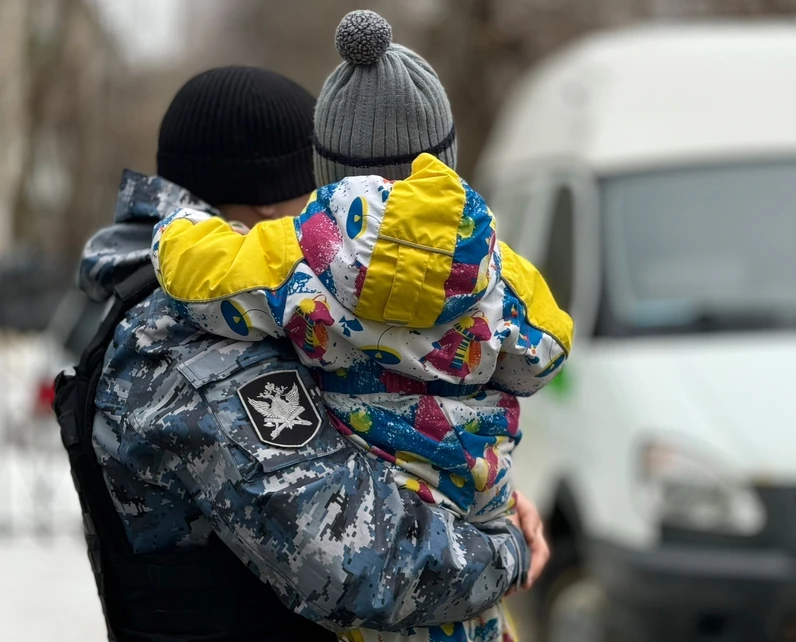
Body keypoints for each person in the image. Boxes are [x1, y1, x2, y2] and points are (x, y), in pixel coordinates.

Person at [68, 65, 546, 642]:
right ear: (271, 209)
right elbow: (355, 559)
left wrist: (481, 496)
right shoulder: (186, 337)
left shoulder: (223, 309)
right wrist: (505, 550)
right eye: (330, 199)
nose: (343, 232)